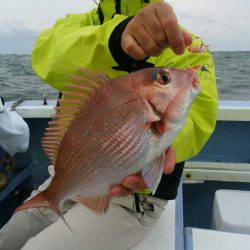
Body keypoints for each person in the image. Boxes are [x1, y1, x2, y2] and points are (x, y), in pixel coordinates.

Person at [0, 1, 218, 249]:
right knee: (7, 238)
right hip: (70, 177)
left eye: (164, 78)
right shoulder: (79, 25)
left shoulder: (185, 44)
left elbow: (199, 116)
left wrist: (168, 146)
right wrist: (116, 38)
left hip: (134, 199)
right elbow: (45, 55)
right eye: (165, 78)